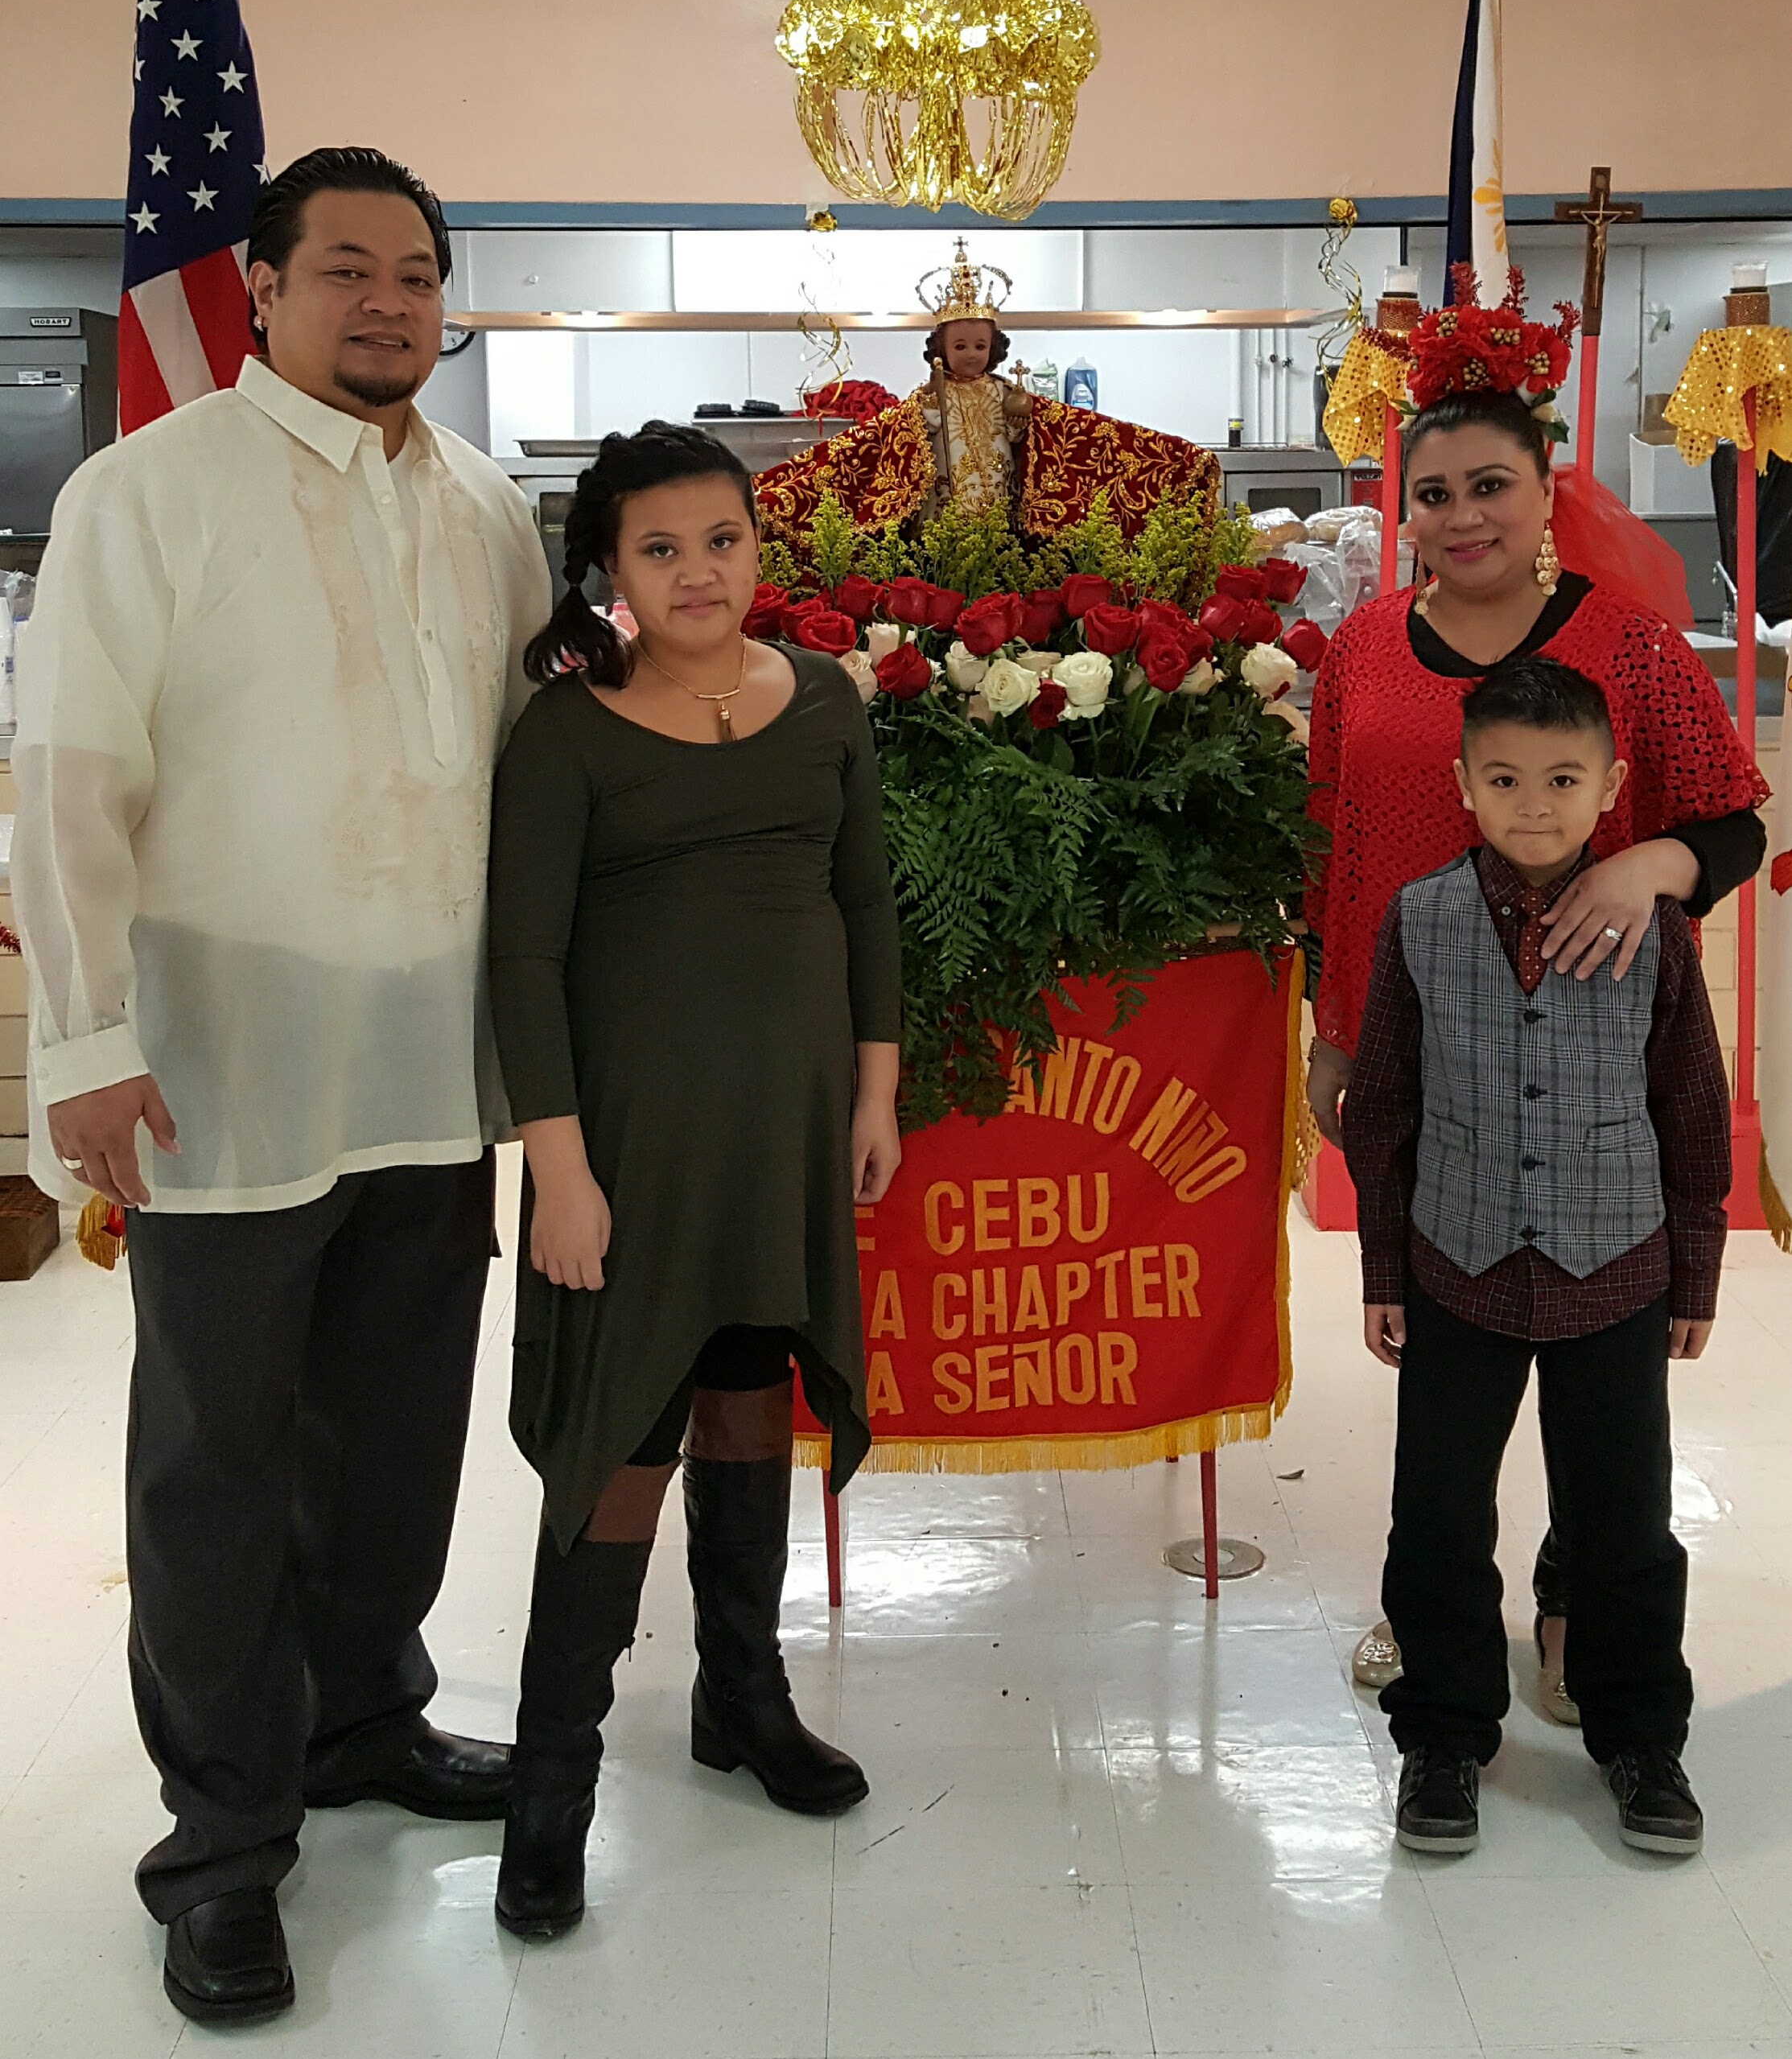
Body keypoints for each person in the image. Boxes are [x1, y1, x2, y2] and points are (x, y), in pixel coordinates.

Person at [12, 147, 551, 2025]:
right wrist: (83, 1047)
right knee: (219, 1465)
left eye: (418, 271)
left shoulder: (487, 506)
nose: (390, 301)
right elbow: (71, 773)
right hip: (225, 1064)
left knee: (395, 1436)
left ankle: (362, 1720)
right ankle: (224, 1849)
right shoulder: (144, 494)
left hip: (434, 1060)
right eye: (348, 270)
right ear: (261, 286)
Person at [1304, 307, 1765, 1710]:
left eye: (1486, 485)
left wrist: (1649, 857)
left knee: (1596, 1373)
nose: (1458, 516)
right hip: (1420, 1045)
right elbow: (1339, 851)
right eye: (1429, 493)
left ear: (1541, 486)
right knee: (1440, 1379)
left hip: (1583, 1058)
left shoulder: (1625, 643)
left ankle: (1576, 1602)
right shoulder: (1365, 651)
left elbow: (1731, 819)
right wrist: (1332, 1029)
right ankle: (1435, 1625)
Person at [485, 420, 903, 1942]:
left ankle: (743, 1696)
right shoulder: (567, 732)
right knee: (617, 1443)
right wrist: (560, 1176)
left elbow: (863, 900)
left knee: (748, 1394)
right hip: (632, 1155)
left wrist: (875, 1092)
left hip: (786, 1135)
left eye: (719, 539)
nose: (696, 572)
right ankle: (551, 1786)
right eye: (658, 549)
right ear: (608, 569)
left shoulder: (828, 702)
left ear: (756, 544)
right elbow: (520, 960)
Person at [1342, 658, 1725, 1857]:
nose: (1532, 803)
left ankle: (1636, 1734)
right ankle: (1443, 1736)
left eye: (1561, 779)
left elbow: (1688, 1100)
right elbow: (1385, 1099)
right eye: (1502, 777)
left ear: (1608, 785)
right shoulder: (1417, 914)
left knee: (1622, 1518)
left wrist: (1694, 1268)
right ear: (1463, 783)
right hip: (1454, 1261)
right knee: (1438, 1516)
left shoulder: (1653, 927)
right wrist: (1382, 1267)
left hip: (1613, 1264)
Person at [754, 237, 1219, 546]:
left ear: (995, 347)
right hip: (944, 506)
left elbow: (1055, 439)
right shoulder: (927, 397)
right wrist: (927, 421)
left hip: (1001, 502)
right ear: (940, 346)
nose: (972, 354)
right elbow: (888, 444)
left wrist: (1021, 428)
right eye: (960, 345)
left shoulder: (1006, 391)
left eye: (981, 345)